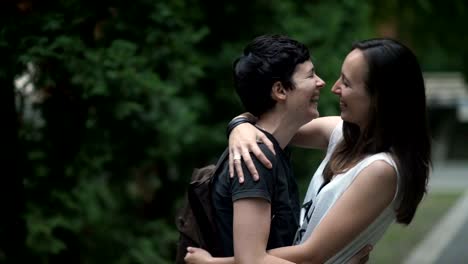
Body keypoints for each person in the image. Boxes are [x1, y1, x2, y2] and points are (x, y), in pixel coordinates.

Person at [186, 38, 431, 263]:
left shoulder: (380, 170)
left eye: (346, 83)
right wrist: (239, 125)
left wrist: (213, 263)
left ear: (379, 98)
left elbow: (306, 256)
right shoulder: (343, 135)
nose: (332, 87)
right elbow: (276, 124)